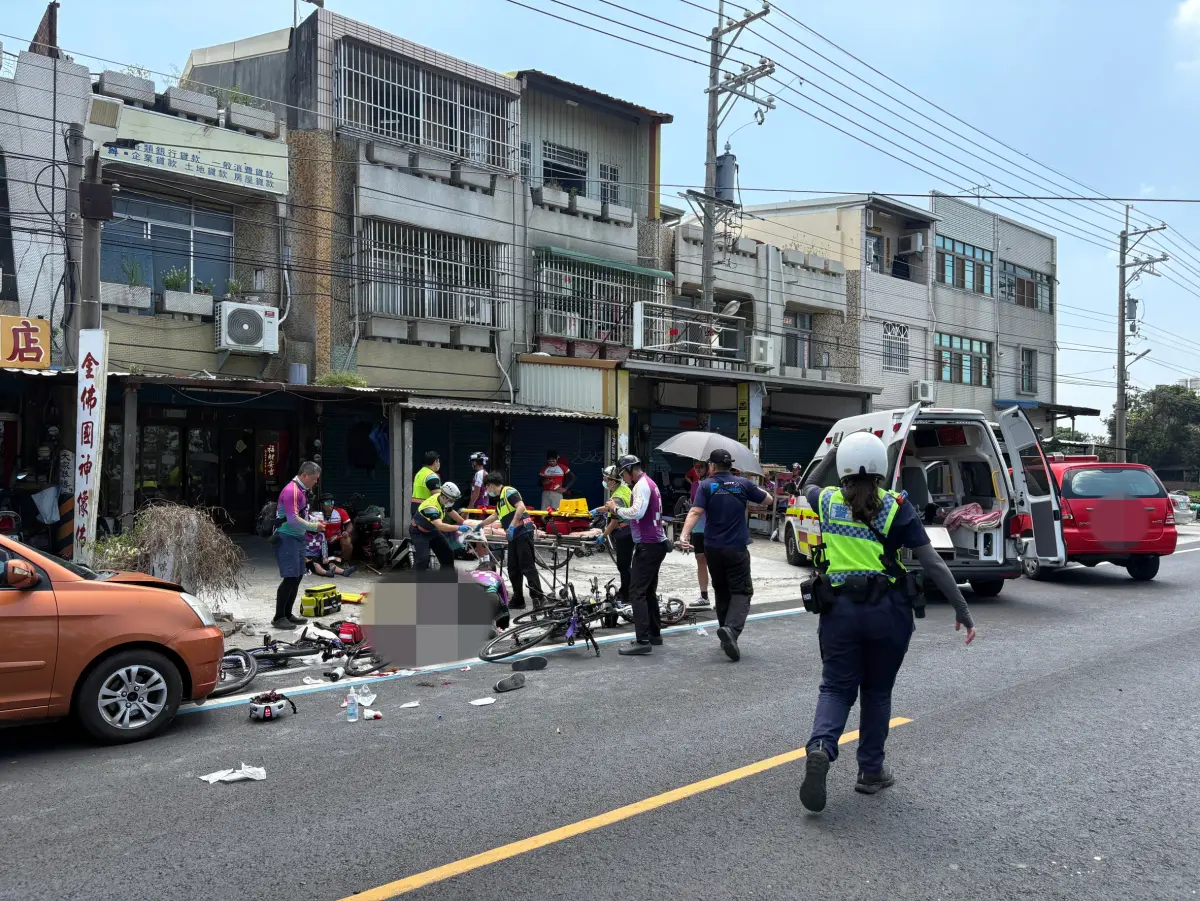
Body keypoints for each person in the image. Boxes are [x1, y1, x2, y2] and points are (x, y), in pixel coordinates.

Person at [797, 431, 977, 814]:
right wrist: (961, 607)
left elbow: (808, 483)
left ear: (844, 469)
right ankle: (870, 772)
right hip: (887, 612)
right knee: (877, 692)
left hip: (839, 611)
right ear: (881, 469)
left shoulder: (828, 501)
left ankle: (820, 748)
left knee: (835, 688)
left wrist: (831, 450)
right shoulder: (897, 507)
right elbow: (932, 562)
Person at [680, 449, 772, 661]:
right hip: (736, 548)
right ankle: (731, 630)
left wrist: (684, 535)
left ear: (712, 466)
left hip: (713, 548)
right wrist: (748, 486)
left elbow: (695, 512)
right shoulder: (743, 484)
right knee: (741, 591)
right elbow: (767, 500)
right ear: (731, 465)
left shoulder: (705, 485)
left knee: (721, 590)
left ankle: (725, 635)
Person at [605, 454, 668, 656]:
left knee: (637, 592)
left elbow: (637, 512)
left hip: (648, 545)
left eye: (624, 473)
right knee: (648, 591)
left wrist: (616, 509)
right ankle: (654, 634)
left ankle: (642, 640)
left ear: (631, 470)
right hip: (655, 544)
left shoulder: (641, 485)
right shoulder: (649, 483)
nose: (623, 477)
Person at [478, 472, 544, 609]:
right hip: (513, 536)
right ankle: (518, 599)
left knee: (527, 566)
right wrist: (481, 525)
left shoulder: (509, 491)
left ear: (490, 485)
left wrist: (512, 525)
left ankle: (538, 597)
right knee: (513, 568)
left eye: (487, 488)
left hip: (523, 532)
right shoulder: (500, 499)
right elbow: (496, 515)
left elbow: (521, 507)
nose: (487, 491)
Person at [272, 461, 324, 630]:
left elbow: (300, 516)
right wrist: (313, 526)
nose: (316, 482)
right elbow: (293, 520)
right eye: (315, 479)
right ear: (305, 475)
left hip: (297, 539)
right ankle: (279, 617)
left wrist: (312, 525)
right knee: (290, 577)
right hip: (287, 537)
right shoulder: (291, 491)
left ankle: (287, 614)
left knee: (298, 575)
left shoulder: (301, 490)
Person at [410, 481, 470, 570]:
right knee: (422, 559)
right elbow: (440, 526)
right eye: (451, 500)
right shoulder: (430, 507)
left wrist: (464, 522)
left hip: (432, 530)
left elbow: (450, 511)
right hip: (419, 532)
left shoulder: (442, 500)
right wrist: (459, 527)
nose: (452, 502)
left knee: (448, 553)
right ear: (444, 497)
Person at [598, 464, 634, 605]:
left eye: (606, 479)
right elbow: (609, 507)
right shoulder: (623, 489)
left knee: (623, 565)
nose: (604, 481)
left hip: (623, 533)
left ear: (613, 481)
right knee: (626, 565)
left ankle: (626, 594)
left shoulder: (617, 496)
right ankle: (627, 591)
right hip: (630, 531)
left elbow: (613, 522)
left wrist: (603, 535)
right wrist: (596, 510)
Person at [685, 459, 712, 611]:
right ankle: (704, 596)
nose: (698, 469)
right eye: (695, 467)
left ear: (708, 467)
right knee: (700, 560)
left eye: (701, 467)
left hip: (711, 528)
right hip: (697, 529)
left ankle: (723, 595)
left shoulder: (711, 484)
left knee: (714, 562)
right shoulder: (695, 485)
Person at [466, 452, 494, 570]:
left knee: (479, 535)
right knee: (479, 536)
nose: (472, 464)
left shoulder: (479, 474)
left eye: (473, 462)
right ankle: (484, 562)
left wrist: (469, 507)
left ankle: (484, 563)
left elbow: (476, 493)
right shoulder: (485, 474)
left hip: (478, 507)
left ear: (476, 462)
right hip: (482, 507)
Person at [320, 493, 353, 561]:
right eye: (327, 503)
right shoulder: (317, 513)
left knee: (347, 541)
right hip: (321, 540)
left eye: (332, 502)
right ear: (321, 504)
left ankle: (345, 561)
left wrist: (347, 531)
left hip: (337, 538)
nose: (330, 505)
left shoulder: (340, 511)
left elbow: (349, 524)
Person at [411, 451, 442, 522]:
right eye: (438, 462)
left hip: (415, 508)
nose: (439, 464)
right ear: (435, 462)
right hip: (427, 509)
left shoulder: (420, 473)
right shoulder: (431, 476)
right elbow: (438, 497)